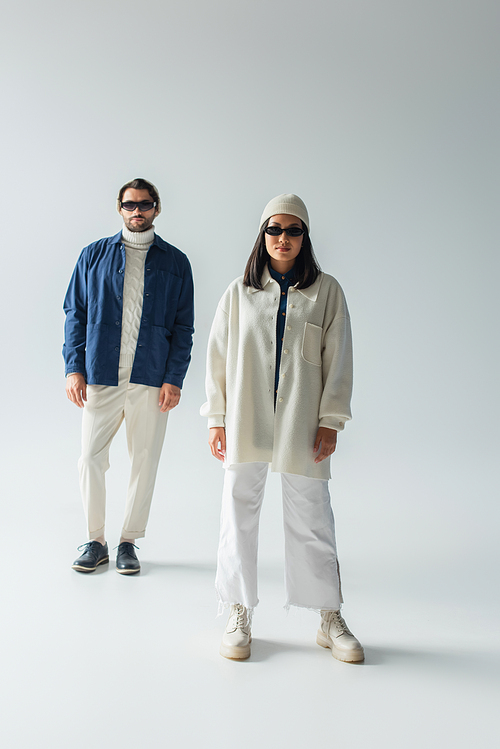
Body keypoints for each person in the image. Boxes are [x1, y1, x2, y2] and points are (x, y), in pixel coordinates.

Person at [201, 193, 363, 662]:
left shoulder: (327, 291)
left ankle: (328, 616)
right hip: (246, 417)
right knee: (237, 513)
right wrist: (216, 417)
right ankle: (237, 609)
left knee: (312, 516)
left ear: (305, 236)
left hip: (302, 420)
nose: (283, 238)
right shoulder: (239, 292)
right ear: (262, 235)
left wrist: (331, 419)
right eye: (275, 229)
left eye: (294, 230)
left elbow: (340, 359)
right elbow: (216, 358)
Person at [64, 178, 194, 574]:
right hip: (101, 374)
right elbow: (75, 314)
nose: (137, 211)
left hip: (151, 377)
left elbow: (184, 327)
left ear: (157, 208)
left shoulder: (176, 263)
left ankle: (127, 542)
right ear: (119, 208)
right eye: (129, 205)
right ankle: (95, 540)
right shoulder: (93, 255)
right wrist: (74, 367)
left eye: (145, 204)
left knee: (145, 460)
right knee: (90, 457)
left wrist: (174, 377)